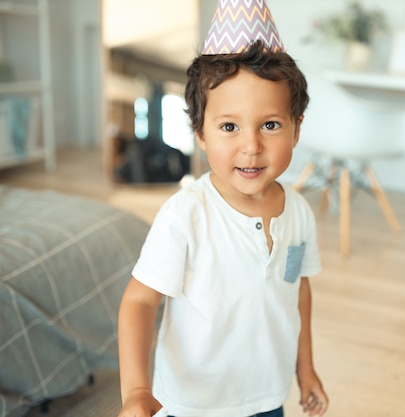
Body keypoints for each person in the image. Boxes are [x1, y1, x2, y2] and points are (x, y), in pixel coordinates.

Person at [116, 3, 329, 415]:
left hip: (268, 397)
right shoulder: (186, 216)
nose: (251, 146)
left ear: (296, 127)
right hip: (191, 403)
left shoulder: (299, 212)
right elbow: (139, 302)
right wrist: (136, 392)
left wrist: (306, 368)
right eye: (229, 127)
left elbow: (297, 290)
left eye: (270, 124)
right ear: (199, 132)